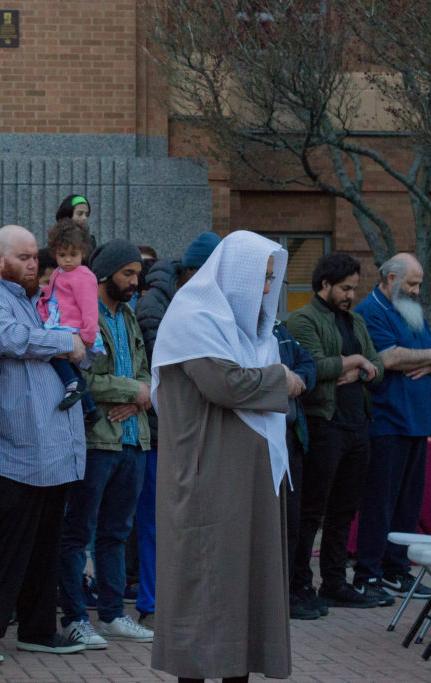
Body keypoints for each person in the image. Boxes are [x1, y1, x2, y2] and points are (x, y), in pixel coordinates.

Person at [151, 230, 301, 682]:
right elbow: (226, 385)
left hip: (248, 478)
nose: (267, 288)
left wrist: (279, 375)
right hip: (205, 477)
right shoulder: (194, 316)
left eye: (273, 277)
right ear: (238, 274)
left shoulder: (249, 330)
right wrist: (282, 379)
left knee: (247, 585)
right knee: (204, 589)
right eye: (262, 276)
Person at [0, 225, 87, 663]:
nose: (35, 264)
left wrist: (78, 343)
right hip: (10, 450)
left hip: (50, 450)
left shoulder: (33, 297)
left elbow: (67, 342)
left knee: (44, 547)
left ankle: (38, 628)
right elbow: (11, 340)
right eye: (25, 258)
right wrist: (65, 342)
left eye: (36, 257)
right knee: (0, 548)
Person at [57, 239, 153, 648]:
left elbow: (148, 375)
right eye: (127, 274)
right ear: (105, 272)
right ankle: (75, 617)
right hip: (97, 439)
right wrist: (134, 391)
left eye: (137, 274)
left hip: (134, 439)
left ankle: (113, 614)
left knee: (116, 533)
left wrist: (138, 396)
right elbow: (86, 379)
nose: (135, 281)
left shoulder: (129, 316)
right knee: (78, 532)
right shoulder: (83, 314)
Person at [132, 230, 221, 626]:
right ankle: (154, 604)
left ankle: (172, 600)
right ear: (195, 271)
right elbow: (169, 373)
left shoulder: (180, 300)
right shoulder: (159, 306)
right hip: (158, 429)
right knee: (156, 522)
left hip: (176, 428)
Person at [287, 252, 384, 611]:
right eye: (345, 288)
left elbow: (378, 365)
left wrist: (356, 367)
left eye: (355, 289)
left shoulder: (355, 323)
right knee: (312, 510)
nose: (351, 296)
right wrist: (355, 363)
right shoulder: (303, 320)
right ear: (324, 285)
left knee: (344, 510)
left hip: (358, 425)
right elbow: (311, 367)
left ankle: (333, 582)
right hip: (324, 424)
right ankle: (299, 583)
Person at [353, 253, 431, 599]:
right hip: (385, 421)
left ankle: (397, 570)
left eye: (418, 285)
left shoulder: (411, 311)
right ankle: (369, 571)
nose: (416, 291)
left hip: (416, 421)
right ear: (390, 279)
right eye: (411, 284)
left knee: (408, 505)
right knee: (379, 502)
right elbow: (389, 358)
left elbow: (418, 353)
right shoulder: (370, 312)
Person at [274, 318, 318, 620]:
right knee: (270, 522)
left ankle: (288, 591)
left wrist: (296, 379)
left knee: (291, 518)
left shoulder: (278, 328)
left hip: (292, 436)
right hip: (263, 435)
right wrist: (281, 380)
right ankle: (273, 596)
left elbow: (309, 364)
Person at [36, 219, 102, 420]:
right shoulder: (58, 272)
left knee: (55, 353)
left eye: (73, 254)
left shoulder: (84, 276)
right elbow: (55, 292)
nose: (67, 260)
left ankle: (72, 385)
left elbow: (90, 307)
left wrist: (89, 334)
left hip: (76, 329)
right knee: (69, 362)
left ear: (83, 252)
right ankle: (89, 408)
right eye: (61, 255)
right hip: (62, 324)